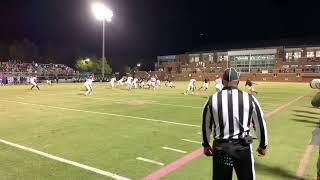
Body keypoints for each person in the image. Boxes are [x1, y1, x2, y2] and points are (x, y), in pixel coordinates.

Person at [201, 68, 268, 180]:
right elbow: (259, 123)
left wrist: (206, 145)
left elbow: (206, 125)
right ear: (238, 81)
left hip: (221, 148)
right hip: (242, 148)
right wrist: (263, 145)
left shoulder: (211, 100)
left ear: (222, 82)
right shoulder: (250, 99)